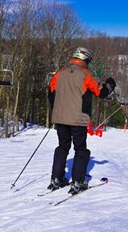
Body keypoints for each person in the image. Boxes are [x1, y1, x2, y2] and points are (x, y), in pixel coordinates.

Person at [47, 47, 116, 195]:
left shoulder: (59, 74)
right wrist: (110, 85)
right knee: (80, 149)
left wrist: (58, 111)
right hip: (78, 119)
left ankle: (56, 178)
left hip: (60, 118)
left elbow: (51, 93)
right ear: (85, 59)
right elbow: (100, 92)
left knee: (62, 147)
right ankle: (77, 181)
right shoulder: (85, 74)